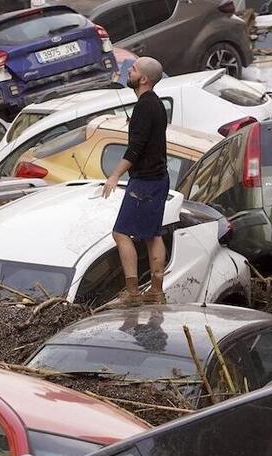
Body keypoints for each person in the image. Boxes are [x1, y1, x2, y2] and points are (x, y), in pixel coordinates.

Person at [102, 57, 168, 306]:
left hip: (145, 181)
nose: (128, 71)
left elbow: (135, 150)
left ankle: (132, 294)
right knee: (153, 234)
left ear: (143, 79)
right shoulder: (157, 105)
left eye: (133, 69)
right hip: (159, 177)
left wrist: (114, 175)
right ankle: (156, 291)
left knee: (120, 233)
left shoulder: (143, 107)